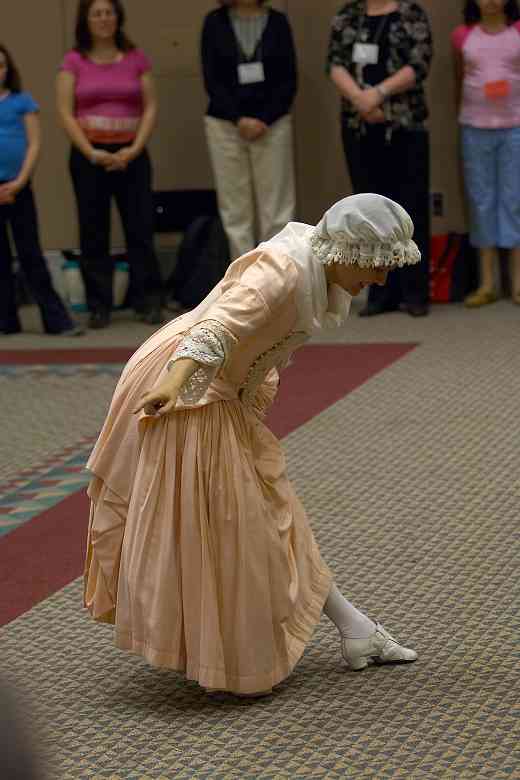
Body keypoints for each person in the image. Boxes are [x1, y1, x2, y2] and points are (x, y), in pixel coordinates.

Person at [83, 193, 419, 697]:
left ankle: (356, 630)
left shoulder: (312, 259)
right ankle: (238, 654)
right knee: (240, 524)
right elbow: (214, 330)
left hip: (209, 383)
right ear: (347, 250)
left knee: (266, 510)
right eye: (375, 265)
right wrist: (174, 386)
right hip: (188, 387)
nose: (379, 279)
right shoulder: (282, 273)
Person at [56, 0, 163, 330]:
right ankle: (99, 305)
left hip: (132, 155)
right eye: (97, 13)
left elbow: (150, 107)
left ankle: (148, 301)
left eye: (109, 12)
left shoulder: (136, 58)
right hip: (89, 157)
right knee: (93, 231)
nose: (104, 19)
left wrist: (134, 148)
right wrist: (91, 151)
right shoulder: (73, 60)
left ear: (118, 18)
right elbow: (65, 112)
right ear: (86, 21)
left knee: (140, 228)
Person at [327, 0, 432, 317]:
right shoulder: (347, 15)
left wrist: (379, 93)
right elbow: (334, 64)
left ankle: (415, 291)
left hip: (405, 124)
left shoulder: (411, 14)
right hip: (358, 125)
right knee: (368, 211)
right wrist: (361, 100)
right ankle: (380, 292)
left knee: (410, 204)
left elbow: (419, 64)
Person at [201, 0, 297, 261]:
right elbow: (211, 78)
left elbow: (289, 78)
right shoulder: (214, 22)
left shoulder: (278, 21)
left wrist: (264, 119)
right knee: (235, 212)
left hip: (272, 124)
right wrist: (238, 118)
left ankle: (278, 277)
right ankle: (243, 283)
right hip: (225, 125)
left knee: (276, 209)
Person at [0, 44, 82, 337]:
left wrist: (19, 182)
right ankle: (6, 321)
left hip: (19, 188)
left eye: (1, 65)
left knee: (30, 254)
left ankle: (56, 320)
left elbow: (33, 144)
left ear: (8, 69)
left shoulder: (22, 101)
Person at [453, 0, 520, 308]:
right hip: (475, 128)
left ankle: (517, 284)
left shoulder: (518, 31)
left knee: (514, 199)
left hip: (514, 128)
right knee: (481, 201)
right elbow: (459, 80)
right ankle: (488, 283)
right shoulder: (462, 35)